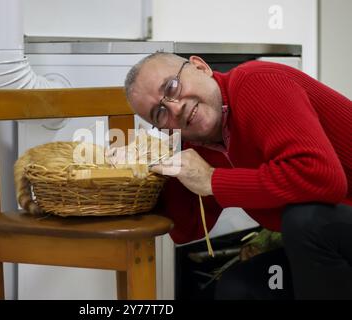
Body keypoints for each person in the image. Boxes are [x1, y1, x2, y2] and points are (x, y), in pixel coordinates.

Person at [123, 52, 352, 300]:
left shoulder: (257, 82)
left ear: (201, 67)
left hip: (330, 233)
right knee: (239, 288)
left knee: (305, 220)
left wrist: (213, 180)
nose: (176, 108)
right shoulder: (203, 141)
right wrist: (149, 167)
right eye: (160, 113)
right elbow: (188, 229)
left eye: (172, 87)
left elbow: (323, 178)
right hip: (334, 246)